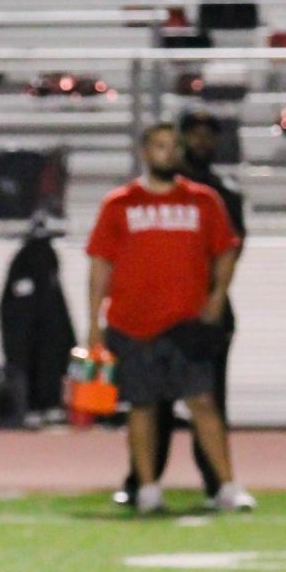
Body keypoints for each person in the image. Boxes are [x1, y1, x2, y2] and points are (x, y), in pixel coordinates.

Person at [87, 122, 254, 514]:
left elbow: (226, 250)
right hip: (131, 320)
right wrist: (94, 321)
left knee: (203, 402)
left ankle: (227, 485)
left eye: (172, 146)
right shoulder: (120, 203)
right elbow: (100, 263)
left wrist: (216, 297)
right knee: (142, 406)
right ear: (145, 152)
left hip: (185, 322)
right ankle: (147, 488)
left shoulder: (203, 200)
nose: (167, 153)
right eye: (159, 146)